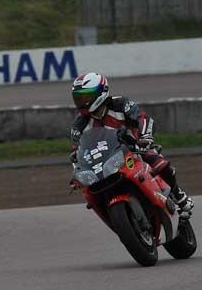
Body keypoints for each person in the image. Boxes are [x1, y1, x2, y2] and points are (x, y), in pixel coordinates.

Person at [70, 72, 194, 216]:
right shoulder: (79, 125)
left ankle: (178, 195)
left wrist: (145, 137)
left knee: (157, 160)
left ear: (101, 92)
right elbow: (77, 152)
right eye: (78, 98)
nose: (81, 102)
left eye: (85, 97)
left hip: (134, 149)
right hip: (104, 161)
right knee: (90, 192)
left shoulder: (120, 104)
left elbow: (143, 118)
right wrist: (77, 172)